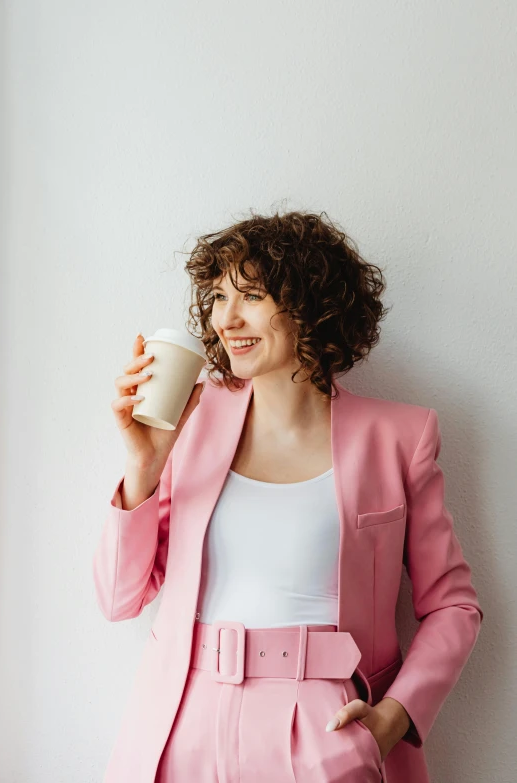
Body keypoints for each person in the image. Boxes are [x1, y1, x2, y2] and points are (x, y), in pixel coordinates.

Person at [93, 209, 483, 783]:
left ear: (311, 302)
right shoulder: (189, 418)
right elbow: (119, 598)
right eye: (218, 297)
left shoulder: (400, 437)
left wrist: (392, 720)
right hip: (181, 720)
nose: (227, 319)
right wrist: (143, 467)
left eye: (250, 296)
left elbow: (454, 605)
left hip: (325, 728)